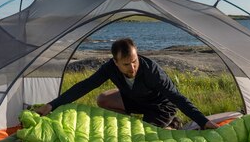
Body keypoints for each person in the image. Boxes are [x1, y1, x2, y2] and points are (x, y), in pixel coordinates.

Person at [34, 38, 220, 130]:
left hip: (160, 106)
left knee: (145, 133)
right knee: (102, 99)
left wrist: (204, 122)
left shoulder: (151, 70)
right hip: (135, 100)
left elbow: (176, 97)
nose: (132, 67)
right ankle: (132, 118)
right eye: (126, 64)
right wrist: (52, 105)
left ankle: (171, 122)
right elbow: (85, 85)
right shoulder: (110, 68)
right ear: (115, 62)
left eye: (134, 61)